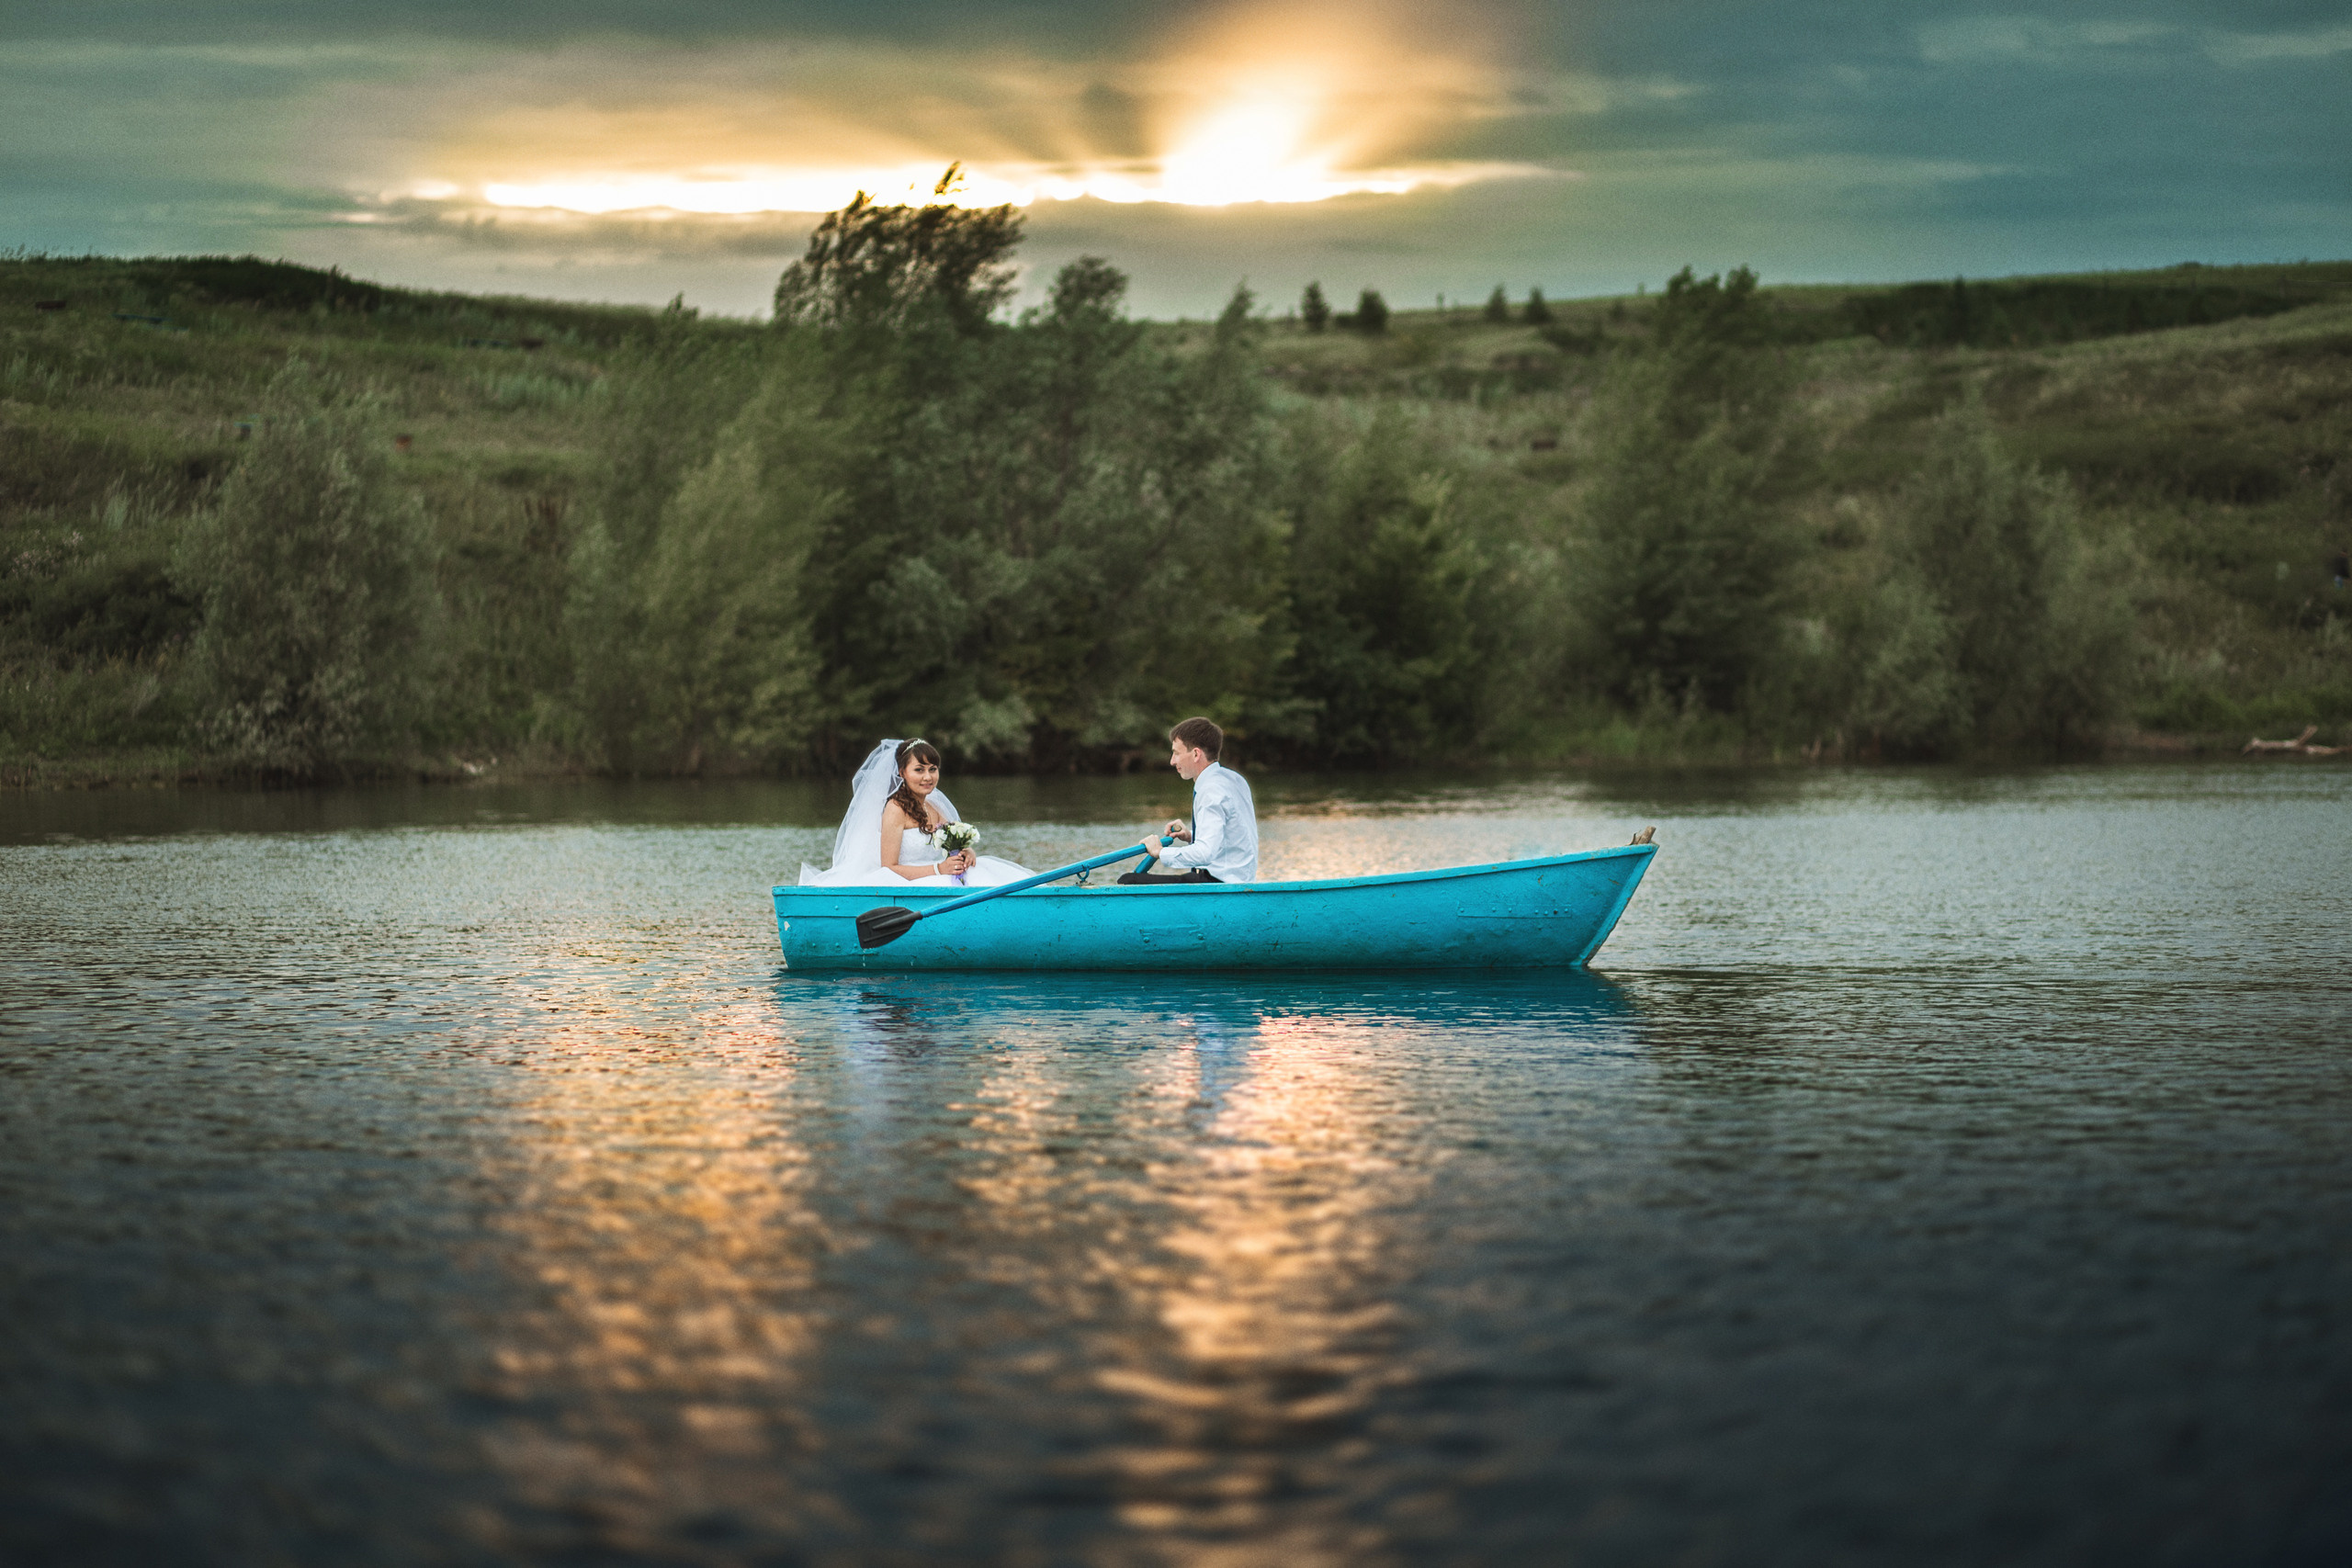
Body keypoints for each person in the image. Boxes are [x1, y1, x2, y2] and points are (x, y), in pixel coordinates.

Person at [798, 739, 1034, 887]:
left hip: (939, 875)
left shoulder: (934, 806)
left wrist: (966, 851)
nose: (928, 777)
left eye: (933, 769)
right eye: (919, 770)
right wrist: (938, 870)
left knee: (984, 870)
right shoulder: (895, 810)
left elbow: (953, 840)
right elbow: (889, 868)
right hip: (905, 881)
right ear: (902, 772)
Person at [1120, 716, 1258, 886]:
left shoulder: (1211, 790)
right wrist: (1191, 836)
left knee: (1128, 881)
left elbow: (1205, 853)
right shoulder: (1234, 779)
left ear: (1196, 754)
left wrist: (1159, 851)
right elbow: (1231, 836)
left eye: (1177, 753)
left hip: (1220, 885)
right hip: (1237, 881)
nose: (1172, 761)